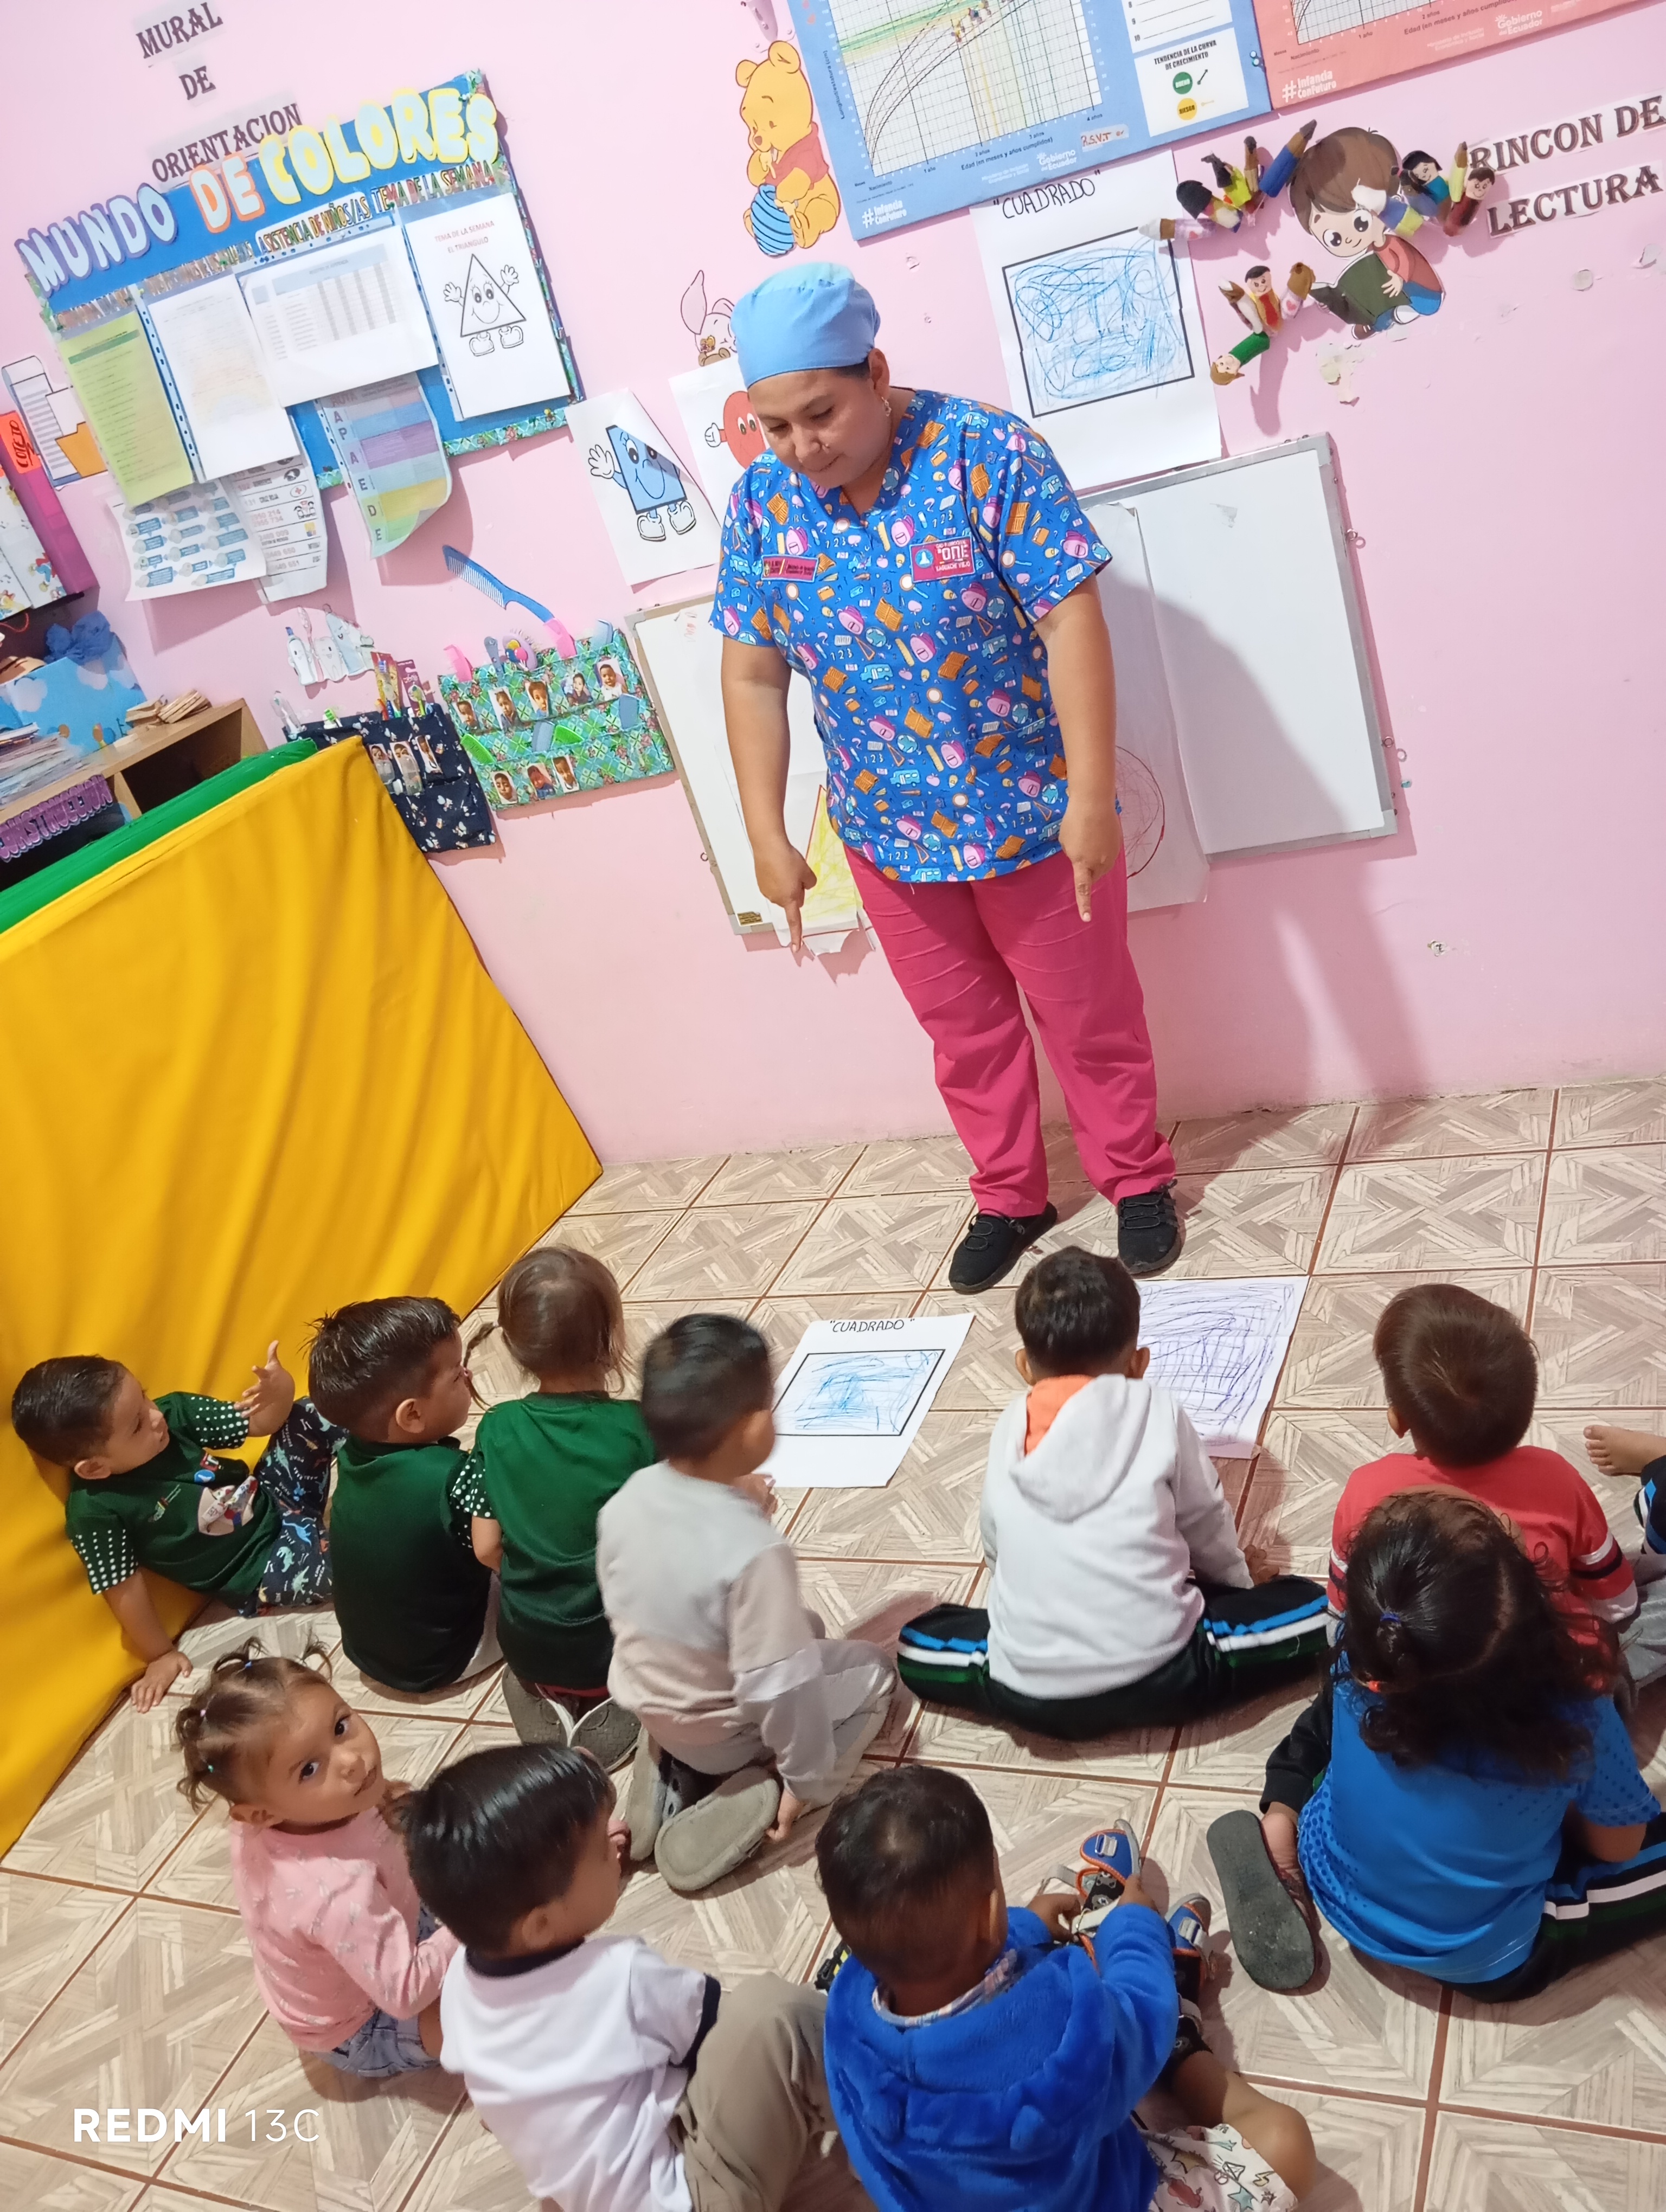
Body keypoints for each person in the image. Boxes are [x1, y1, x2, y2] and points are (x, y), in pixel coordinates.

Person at [714, 261, 1180, 1293]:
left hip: (1032, 815)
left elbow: (1070, 621)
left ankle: (1135, 1176)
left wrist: (1089, 798)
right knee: (964, 1034)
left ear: (876, 373)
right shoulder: (760, 505)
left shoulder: (986, 453)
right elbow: (752, 673)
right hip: (886, 833)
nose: (802, 446)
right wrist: (764, 833)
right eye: (774, 426)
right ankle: (1011, 1196)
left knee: (1088, 1016)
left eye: (821, 414)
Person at [1216, 1490, 1666, 1998]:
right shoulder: (1577, 1713)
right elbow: (1617, 1845)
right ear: (1535, 1616)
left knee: (1335, 1715)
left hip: (1332, 1878)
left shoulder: (1361, 1664)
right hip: (1476, 1952)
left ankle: (1285, 1810)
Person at [816, 1765, 1315, 2212]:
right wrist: (1134, 1927)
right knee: (1286, 2141)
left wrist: (1024, 1928)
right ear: (990, 1912)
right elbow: (1142, 2012)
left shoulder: (846, 2018)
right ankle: (1183, 2046)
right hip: (1108, 2187)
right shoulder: (1060, 2030)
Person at [401, 1740, 863, 2212]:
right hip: (690, 2197)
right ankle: (893, 2107)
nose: (616, 1841)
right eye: (601, 1851)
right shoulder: (616, 1977)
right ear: (540, 1925)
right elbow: (719, 2029)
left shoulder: (459, 1986)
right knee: (774, 2018)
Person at [898, 1249, 1329, 1736]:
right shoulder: (1159, 1411)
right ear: (1138, 1364)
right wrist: (1240, 1589)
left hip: (1029, 1695)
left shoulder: (1008, 1427)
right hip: (1172, 1676)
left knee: (916, 1643)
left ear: (1024, 1367)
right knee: (1320, 1610)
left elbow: (994, 1540)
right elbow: (1205, 1522)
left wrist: (1020, 1612)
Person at [597, 1313, 894, 1893]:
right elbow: (784, 1693)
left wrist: (739, 1493)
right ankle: (765, 1792)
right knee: (876, 1673)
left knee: (803, 1627)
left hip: (651, 1700)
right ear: (753, 1429)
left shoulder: (625, 1501)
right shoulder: (755, 1555)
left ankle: (663, 1769)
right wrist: (804, 1780)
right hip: (728, 1734)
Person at [1325, 1283, 1663, 1679]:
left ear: (1398, 1421)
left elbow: (1341, 1615)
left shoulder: (1366, 1490)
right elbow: (1618, 1604)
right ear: (1526, 1411)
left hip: (1413, 1684)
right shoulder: (1554, 1478)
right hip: (1554, 1674)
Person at [175, 1641, 457, 2076]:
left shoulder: (274, 1814)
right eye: (309, 1769)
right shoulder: (338, 1895)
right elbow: (404, 1992)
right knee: (477, 2011)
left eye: (341, 1726)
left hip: (366, 1943)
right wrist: (472, 1927)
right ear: (262, 1814)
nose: (351, 1761)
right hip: (362, 2024)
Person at [12, 1342, 337, 1710]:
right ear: (95, 1468)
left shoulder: (172, 1413)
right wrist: (161, 1654)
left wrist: (281, 1392)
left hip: (274, 1496)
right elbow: (123, 1588)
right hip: (260, 1568)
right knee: (352, 1566)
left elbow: (260, 1423)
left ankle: (388, 1459)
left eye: (145, 1397)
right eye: (137, 1425)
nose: (154, 1417)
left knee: (312, 1412)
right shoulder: (94, 1512)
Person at [459, 1248, 650, 1766]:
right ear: (613, 1339)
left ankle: (546, 1697)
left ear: (512, 1347)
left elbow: (485, 1548)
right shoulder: (640, 1427)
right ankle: (618, 1704)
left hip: (527, 1648)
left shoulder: (495, 1428)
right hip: (616, 1649)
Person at [306, 1297, 498, 1698]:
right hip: (447, 1658)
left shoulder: (354, 1456)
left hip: (370, 1656)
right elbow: (508, 1548)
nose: (468, 1374)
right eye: (456, 1375)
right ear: (412, 1416)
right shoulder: (450, 1478)